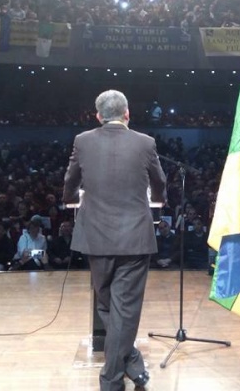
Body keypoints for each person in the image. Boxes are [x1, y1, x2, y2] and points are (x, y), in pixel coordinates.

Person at [63, 89, 166, 391]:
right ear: (127, 113)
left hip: (96, 236)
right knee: (118, 307)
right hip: (134, 237)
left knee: (109, 303)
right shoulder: (145, 143)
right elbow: (159, 182)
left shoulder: (82, 141)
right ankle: (124, 367)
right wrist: (158, 200)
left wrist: (69, 200)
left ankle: (115, 374)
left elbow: (70, 181)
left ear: (97, 115)